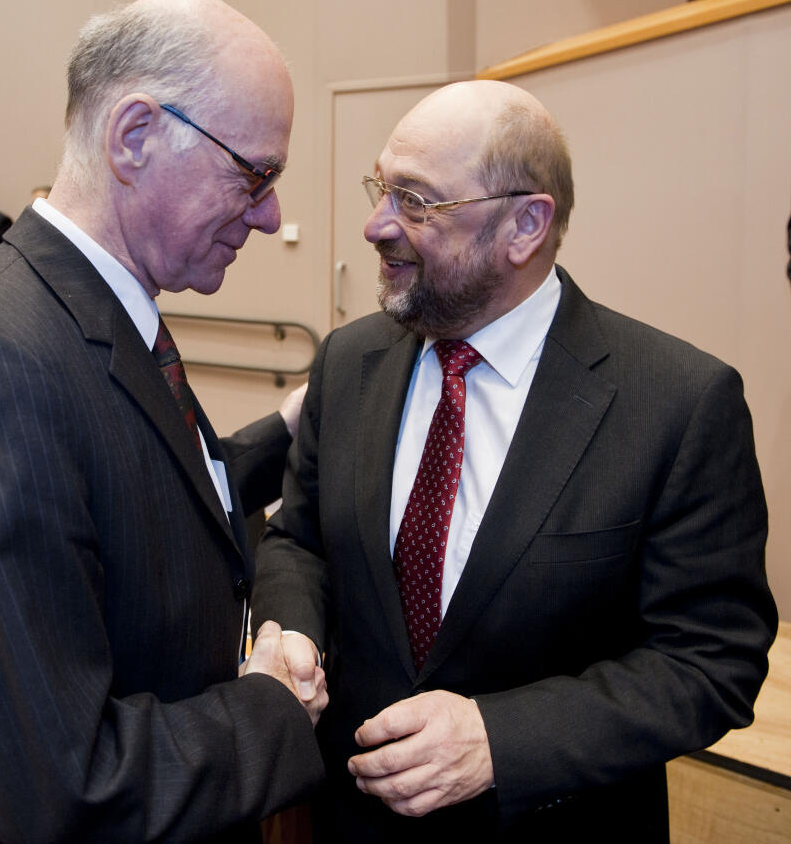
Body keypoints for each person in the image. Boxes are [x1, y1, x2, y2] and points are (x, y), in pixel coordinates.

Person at [252, 79, 777, 840]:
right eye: (381, 188)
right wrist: (292, 633)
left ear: (526, 225)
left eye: (416, 201)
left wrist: (501, 740)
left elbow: (710, 662)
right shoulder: (348, 360)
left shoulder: (677, 402)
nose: (375, 225)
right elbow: (299, 541)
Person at [0, 0, 327, 842]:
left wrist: (288, 428)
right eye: (254, 174)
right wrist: (269, 707)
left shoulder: (92, 311)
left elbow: (142, 490)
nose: (268, 215)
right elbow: (60, 782)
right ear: (135, 136)